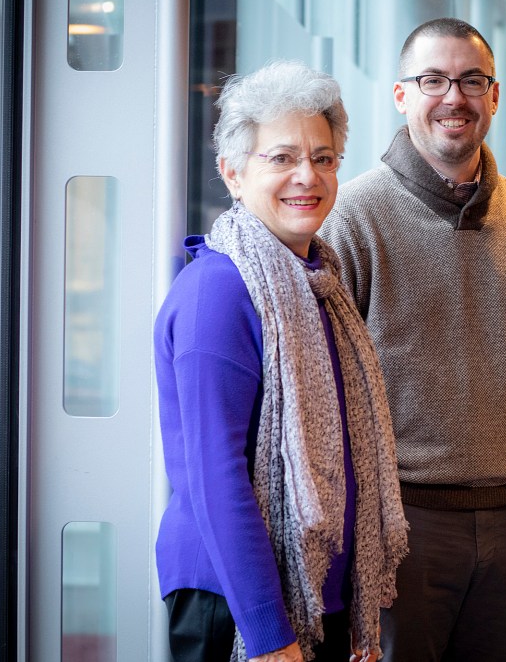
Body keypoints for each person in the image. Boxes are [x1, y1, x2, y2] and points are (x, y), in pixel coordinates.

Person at [319, 17, 506, 662]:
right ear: (400, 95)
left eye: (472, 80)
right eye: (433, 79)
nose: (454, 97)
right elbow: (325, 396)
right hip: (399, 526)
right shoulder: (352, 217)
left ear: (494, 97)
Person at [154, 61, 408, 662]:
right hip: (239, 604)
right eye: (282, 158)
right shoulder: (218, 292)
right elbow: (216, 479)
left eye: (323, 158)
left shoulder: (319, 280)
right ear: (233, 173)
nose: (307, 176)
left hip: (319, 596)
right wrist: (271, 635)